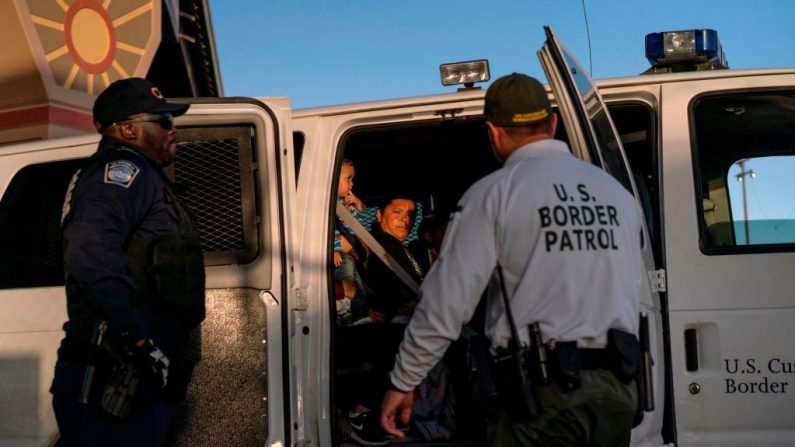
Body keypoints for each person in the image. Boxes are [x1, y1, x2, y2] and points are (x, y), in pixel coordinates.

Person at [380, 73, 648, 446]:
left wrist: (405, 380)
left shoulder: (493, 194)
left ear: (493, 131)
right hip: (616, 391)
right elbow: (634, 293)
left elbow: (445, 305)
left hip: (542, 398)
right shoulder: (617, 195)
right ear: (553, 123)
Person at [51, 78, 205, 446]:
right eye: (164, 120)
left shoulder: (144, 176)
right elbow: (90, 252)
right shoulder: (122, 171)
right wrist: (138, 339)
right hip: (115, 379)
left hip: (134, 382)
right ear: (128, 129)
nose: (173, 129)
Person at [333, 159, 368, 325]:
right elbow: (323, 233)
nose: (351, 184)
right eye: (348, 179)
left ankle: (360, 316)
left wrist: (357, 207)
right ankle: (342, 310)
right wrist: (330, 250)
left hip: (351, 256)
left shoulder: (345, 203)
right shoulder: (325, 206)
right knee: (346, 281)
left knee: (359, 288)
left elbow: (358, 228)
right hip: (339, 255)